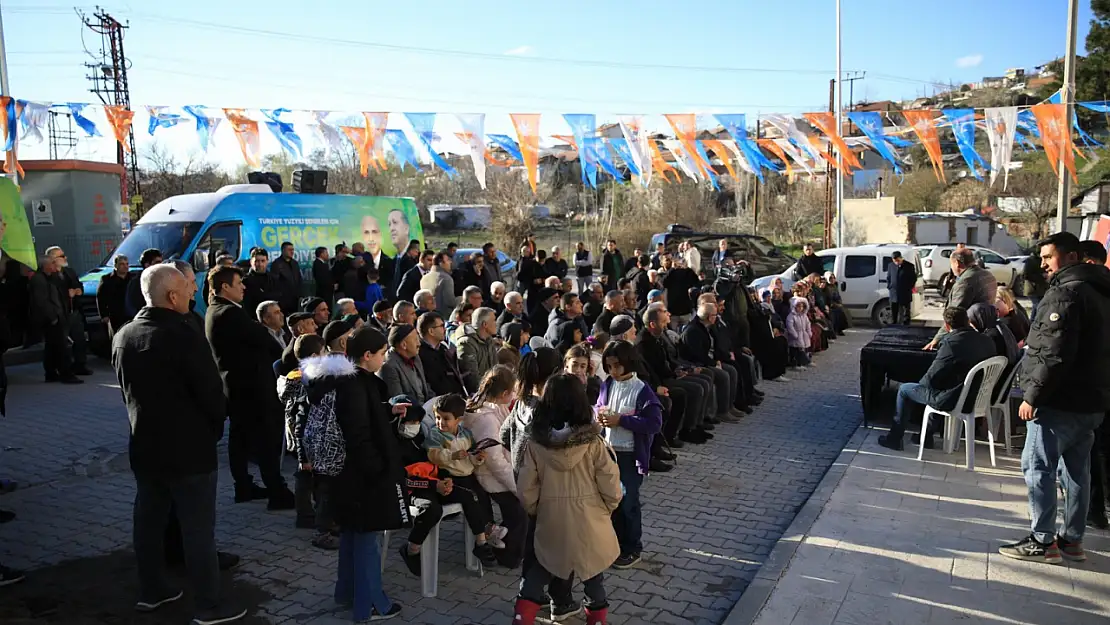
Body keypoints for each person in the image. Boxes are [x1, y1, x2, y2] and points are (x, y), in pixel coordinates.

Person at [111, 264, 247, 625]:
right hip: (189, 452)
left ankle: (152, 591)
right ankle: (210, 605)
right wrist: (215, 426)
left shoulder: (124, 335)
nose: (192, 293)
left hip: (145, 447)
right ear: (172, 297)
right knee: (198, 529)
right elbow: (212, 395)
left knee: (149, 521)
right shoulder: (184, 335)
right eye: (188, 288)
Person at [999, 232, 1110, 564]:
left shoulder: (1066, 294)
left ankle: (1041, 540)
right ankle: (1072, 541)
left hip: (1059, 403)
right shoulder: (1102, 292)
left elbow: (1053, 352)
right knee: (1077, 472)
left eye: (1049, 257)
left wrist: (1031, 396)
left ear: (1071, 257)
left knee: (1037, 467)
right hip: (1092, 402)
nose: (1043, 264)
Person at [305, 326, 408, 621]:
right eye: (382, 353)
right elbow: (358, 433)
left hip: (342, 474)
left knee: (352, 534)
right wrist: (379, 470)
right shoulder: (355, 384)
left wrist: (387, 410)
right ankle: (371, 604)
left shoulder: (340, 379)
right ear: (367, 356)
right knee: (366, 540)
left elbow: (360, 417)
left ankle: (347, 593)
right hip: (359, 476)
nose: (385, 358)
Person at [513, 373, 622, 625]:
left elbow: (526, 487)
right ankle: (597, 619)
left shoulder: (536, 443)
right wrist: (608, 507)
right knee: (593, 571)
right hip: (591, 516)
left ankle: (522, 617)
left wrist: (537, 510)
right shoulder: (594, 442)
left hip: (551, 516)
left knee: (541, 567)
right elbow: (610, 482)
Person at [205, 266, 295, 508]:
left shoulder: (220, 310)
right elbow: (263, 339)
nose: (243, 287)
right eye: (238, 283)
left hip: (238, 387)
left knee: (240, 440)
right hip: (251, 389)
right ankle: (277, 492)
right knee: (264, 441)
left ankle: (243, 486)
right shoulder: (228, 313)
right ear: (225, 287)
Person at [878, 307, 997, 452]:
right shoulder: (987, 341)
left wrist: (921, 385)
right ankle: (925, 436)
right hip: (977, 398)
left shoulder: (952, 344)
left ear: (947, 326)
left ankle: (895, 439)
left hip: (955, 399)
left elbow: (930, 380)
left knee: (905, 390)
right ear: (968, 321)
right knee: (942, 387)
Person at [423, 394, 504, 566]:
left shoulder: (466, 435)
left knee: (482, 495)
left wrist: (478, 458)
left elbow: (470, 459)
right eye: (438, 418)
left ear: (459, 420)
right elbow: (433, 456)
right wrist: (453, 455)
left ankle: (489, 528)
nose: (440, 422)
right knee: (471, 499)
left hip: (467, 476)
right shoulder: (436, 435)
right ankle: (481, 542)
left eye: (446, 419)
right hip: (449, 478)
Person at [462, 366, 527, 567]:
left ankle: (513, 549)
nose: (516, 394)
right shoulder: (487, 420)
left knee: (519, 509)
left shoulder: (493, 407)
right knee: (519, 510)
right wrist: (517, 486)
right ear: (504, 393)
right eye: (513, 391)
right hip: (488, 476)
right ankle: (508, 556)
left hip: (496, 471)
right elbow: (495, 461)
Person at [925, 248, 998, 350]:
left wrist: (936, 340)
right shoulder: (988, 275)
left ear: (957, 263)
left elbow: (954, 315)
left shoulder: (965, 282)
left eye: (951, 264)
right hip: (987, 331)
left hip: (969, 336)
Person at [30, 253, 80, 384]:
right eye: (52, 263)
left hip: (57, 316)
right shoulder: (39, 279)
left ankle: (51, 373)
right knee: (61, 347)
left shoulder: (51, 278)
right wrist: (53, 317)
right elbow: (42, 301)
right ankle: (66, 373)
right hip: (51, 319)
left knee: (52, 347)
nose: (54, 265)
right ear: (45, 265)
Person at [44, 246, 90, 376]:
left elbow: (78, 284)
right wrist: (66, 294)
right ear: (53, 259)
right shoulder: (49, 275)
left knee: (79, 339)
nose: (65, 258)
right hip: (60, 312)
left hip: (73, 311)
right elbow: (51, 294)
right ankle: (61, 369)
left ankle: (80, 365)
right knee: (61, 343)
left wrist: (78, 291)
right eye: (62, 256)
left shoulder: (69, 271)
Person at [378, 324, 434, 405]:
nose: (419, 344)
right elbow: (399, 402)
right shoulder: (388, 367)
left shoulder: (415, 357)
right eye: (415, 340)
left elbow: (426, 388)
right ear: (404, 345)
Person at [417, 311, 469, 396]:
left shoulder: (443, 348)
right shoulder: (420, 354)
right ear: (431, 331)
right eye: (441, 326)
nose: (445, 330)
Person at [457, 306, 501, 384]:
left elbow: (496, 368)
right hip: (478, 392)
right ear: (485, 324)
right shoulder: (466, 343)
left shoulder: (489, 340)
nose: (496, 324)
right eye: (494, 321)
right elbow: (471, 377)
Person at [97, 254, 132, 339]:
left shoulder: (133, 278)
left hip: (130, 315)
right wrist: (104, 315)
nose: (125, 266)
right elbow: (100, 298)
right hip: (115, 316)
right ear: (116, 265)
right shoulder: (106, 279)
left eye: (127, 264)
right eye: (122, 264)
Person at [662, 257, 700, 329]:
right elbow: (664, 283)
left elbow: (696, 281)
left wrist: (687, 268)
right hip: (673, 311)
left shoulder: (688, 273)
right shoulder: (671, 274)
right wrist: (672, 269)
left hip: (685, 310)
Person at [126, 248, 163, 317]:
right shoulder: (136, 282)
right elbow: (133, 308)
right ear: (147, 264)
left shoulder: (161, 279)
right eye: (157, 262)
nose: (161, 265)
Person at [420, 251, 456, 319]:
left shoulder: (424, 278)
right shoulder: (446, 279)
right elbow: (450, 302)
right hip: (443, 317)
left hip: (427, 316)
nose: (450, 262)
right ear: (441, 263)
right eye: (448, 260)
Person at [270, 242, 303, 316]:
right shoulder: (276, 264)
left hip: (296, 299)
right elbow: (274, 283)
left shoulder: (295, 263)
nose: (292, 252)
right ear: (283, 250)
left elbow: (299, 279)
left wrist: (300, 294)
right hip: (284, 300)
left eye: (293, 250)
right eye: (289, 250)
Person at [886, 251, 917, 325]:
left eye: (897, 260)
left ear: (901, 258)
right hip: (894, 292)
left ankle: (906, 324)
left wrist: (909, 287)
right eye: (894, 261)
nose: (896, 262)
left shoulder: (909, 266)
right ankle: (894, 323)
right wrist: (889, 286)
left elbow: (913, 278)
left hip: (905, 292)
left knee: (906, 310)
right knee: (894, 310)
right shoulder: (891, 266)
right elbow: (889, 277)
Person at [1023, 247, 1050, 321]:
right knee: (1039, 306)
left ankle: (1032, 322)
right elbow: (1026, 275)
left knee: (1036, 307)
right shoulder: (1030, 261)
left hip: (1041, 288)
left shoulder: (1041, 260)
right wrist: (1041, 276)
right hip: (1032, 288)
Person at [785, 296, 812, 369]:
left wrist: (809, 332)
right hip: (795, 336)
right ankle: (795, 364)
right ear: (794, 306)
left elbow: (808, 324)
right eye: (798, 306)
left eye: (802, 307)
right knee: (795, 351)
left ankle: (802, 362)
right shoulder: (791, 316)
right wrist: (795, 335)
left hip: (803, 334)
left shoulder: (804, 316)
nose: (801, 308)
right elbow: (790, 326)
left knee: (803, 349)